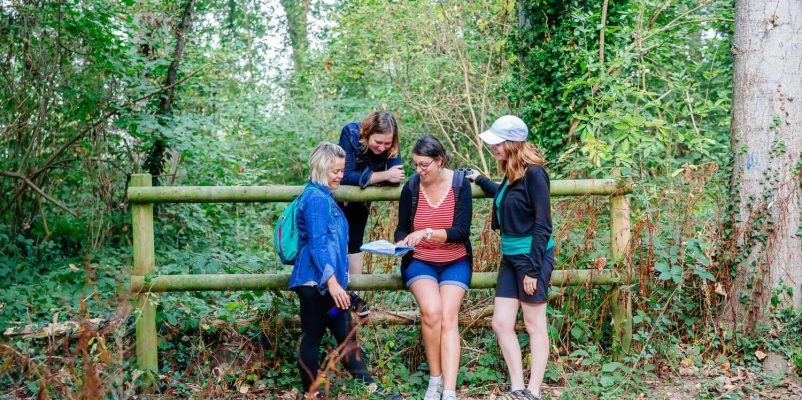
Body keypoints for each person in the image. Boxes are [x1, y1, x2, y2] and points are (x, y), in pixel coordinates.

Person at [288, 142, 402, 400]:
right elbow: (317, 246)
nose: (340, 175)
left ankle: (374, 390)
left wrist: (337, 284)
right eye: (335, 171)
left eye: (342, 170)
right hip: (315, 285)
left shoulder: (322, 196)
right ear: (321, 168)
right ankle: (311, 393)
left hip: (329, 288)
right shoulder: (316, 199)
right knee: (313, 336)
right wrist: (333, 284)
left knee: (345, 334)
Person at [467, 116, 555, 400]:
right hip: (509, 258)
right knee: (501, 323)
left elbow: (543, 224)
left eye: (497, 142)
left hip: (533, 258)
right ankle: (517, 387)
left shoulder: (535, 174)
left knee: (534, 324)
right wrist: (480, 179)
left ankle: (534, 391)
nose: (492, 147)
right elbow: (505, 197)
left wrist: (533, 269)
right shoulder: (511, 171)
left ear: (513, 143)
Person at [395, 136, 472, 400]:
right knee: (431, 311)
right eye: (416, 164)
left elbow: (461, 232)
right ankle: (435, 380)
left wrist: (427, 232)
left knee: (449, 317)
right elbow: (402, 227)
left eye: (424, 164)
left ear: (439, 160)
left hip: (455, 259)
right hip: (420, 261)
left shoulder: (460, 185)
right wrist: (400, 241)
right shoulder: (412, 187)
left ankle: (449, 390)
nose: (419, 170)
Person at [339, 111, 405, 275]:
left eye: (387, 144)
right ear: (367, 133)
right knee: (334, 242)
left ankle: (354, 293)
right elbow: (346, 176)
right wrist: (383, 176)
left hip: (361, 202)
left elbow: (396, 178)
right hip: (337, 197)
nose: (382, 147)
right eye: (378, 142)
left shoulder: (391, 144)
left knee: (355, 242)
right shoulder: (350, 132)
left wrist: (366, 179)